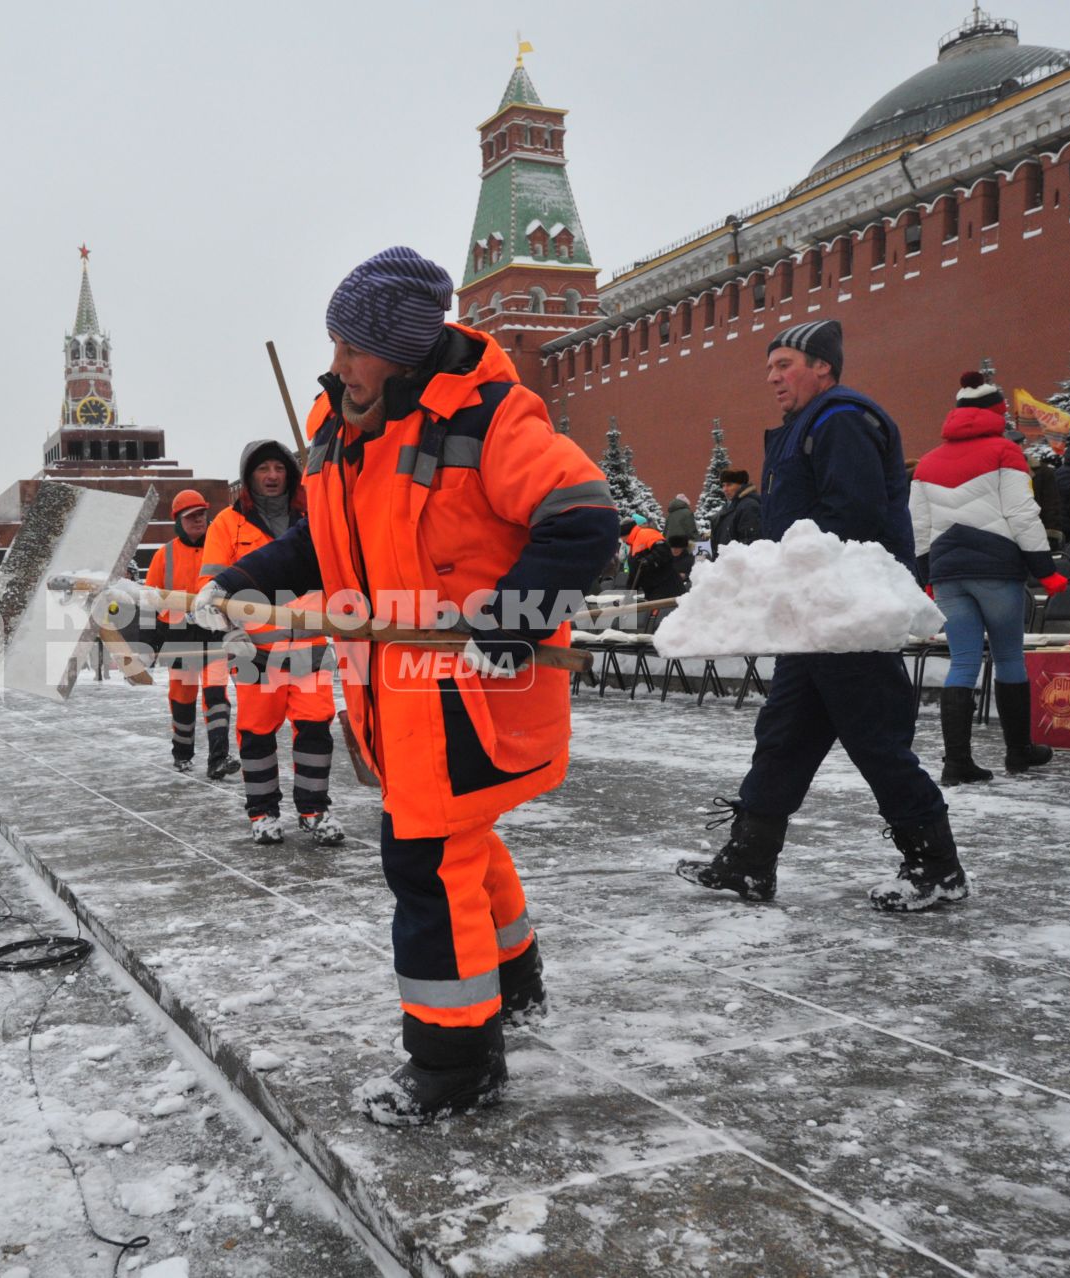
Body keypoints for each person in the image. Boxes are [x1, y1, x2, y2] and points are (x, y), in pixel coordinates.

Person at [191, 246, 617, 1125]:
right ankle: (515, 975)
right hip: (392, 683)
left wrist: (514, 621)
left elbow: (583, 517)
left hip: (465, 681)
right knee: (459, 835)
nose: (339, 363)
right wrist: (241, 582)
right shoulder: (339, 425)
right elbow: (323, 543)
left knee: (426, 857)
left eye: (355, 348)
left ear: (406, 348)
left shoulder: (491, 418)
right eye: (336, 343)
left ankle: (455, 1061)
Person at [675, 320, 965, 913]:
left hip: (845, 610)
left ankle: (936, 867)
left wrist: (782, 568)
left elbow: (849, 514)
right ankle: (749, 862)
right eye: (770, 368)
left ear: (822, 367)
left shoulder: (841, 420)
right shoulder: (808, 424)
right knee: (783, 737)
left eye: (784, 364)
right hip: (814, 612)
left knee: (876, 742)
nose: (773, 377)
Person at [909, 372, 1067, 785]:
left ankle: (956, 762)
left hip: (947, 572)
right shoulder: (1005, 452)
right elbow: (1022, 514)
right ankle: (1018, 752)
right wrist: (1044, 570)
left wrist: (927, 577)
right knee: (1009, 657)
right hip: (996, 567)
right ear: (996, 412)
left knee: (961, 662)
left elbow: (919, 527)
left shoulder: (926, 462)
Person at [199, 441, 341, 846]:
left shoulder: (312, 519)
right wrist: (233, 633)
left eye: (280, 467)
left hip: (310, 649)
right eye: (264, 469)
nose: (273, 475)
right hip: (255, 652)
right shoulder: (228, 525)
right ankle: (262, 813)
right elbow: (207, 590)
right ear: (249, 477)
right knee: (257, 734)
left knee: (316, 732)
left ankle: (314, 810)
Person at [144, 488, 237, 778]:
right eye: (191, 516)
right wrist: (149, 642)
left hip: (214, 634)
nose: (199, 520)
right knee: (182, 699)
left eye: (202, 514)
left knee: (216, 695)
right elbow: (148, 601)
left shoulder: (221, 548)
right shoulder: (164, 556)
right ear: (178, 521)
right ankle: (182, 754)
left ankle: (218, 760)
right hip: (179, 636)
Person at [708, 468, 762, 557]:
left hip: (737, 565)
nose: (725, 489)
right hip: (725, 564)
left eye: (729, 485)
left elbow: (749, 542)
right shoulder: (728, 508)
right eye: (723, 485)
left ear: (741, 485)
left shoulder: (749, 506)